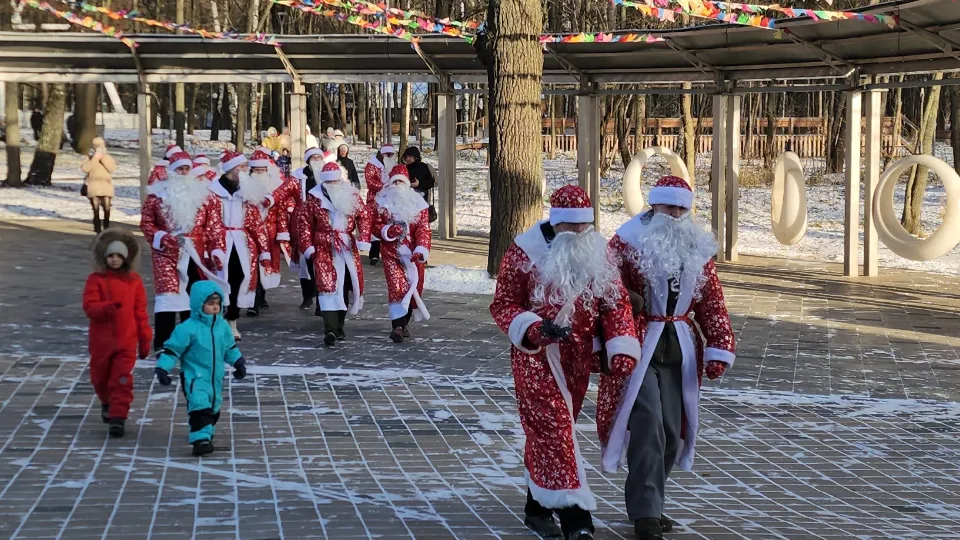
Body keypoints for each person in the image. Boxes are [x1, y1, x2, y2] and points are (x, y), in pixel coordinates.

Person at [489, 185, 641, 540]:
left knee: (551, 435)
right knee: (555, 432)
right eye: (571, 227)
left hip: (578, 361)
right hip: (536, 359)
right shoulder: (524, 252)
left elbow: (615, 302)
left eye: (584, 226)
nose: (578, 233)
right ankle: (577, 519)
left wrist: (620, 346)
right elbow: (503, 304)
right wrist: (533, 328)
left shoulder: (598, 254)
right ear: (556, 224)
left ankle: (537, 508)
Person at [601, 176, 736, 540]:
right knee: (649, 422)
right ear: (654, 205)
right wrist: (628, 303)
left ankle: (650, 503)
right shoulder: (627, 241)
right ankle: (646, 513)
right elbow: (605, 288)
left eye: (682, 207)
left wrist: (719, 345)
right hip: (640, 344)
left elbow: (712, 300)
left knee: (672, 432)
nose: (675, 214)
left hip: (679, 345)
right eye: (669, 206)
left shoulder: (697, 247)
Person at [141, 152, 225, 350]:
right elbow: (146, 223)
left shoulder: (204, 196)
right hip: (166, 252)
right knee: (167, 297)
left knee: (195, 296)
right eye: (180, 168)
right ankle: (164, 343)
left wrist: (217, 250)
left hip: (195, 252)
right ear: (171, 171)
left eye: (187, 168)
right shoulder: (156, 196)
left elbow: (214, 226)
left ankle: (192, 340)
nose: (184, 172)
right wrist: (162, 238)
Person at [154, 281, 247, 456]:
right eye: (210, 304)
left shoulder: (223, 327)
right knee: (199, 405)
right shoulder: (187, 328)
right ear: (199, 304)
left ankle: (205, 431)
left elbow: (229, 348)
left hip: (215, 378)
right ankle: (200, 441)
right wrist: (163, 368)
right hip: (194, 376)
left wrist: (238, 363)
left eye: (217, 304)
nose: (215, 307)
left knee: (213, 408)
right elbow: (172, 350)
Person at [82, 229, 152, 438]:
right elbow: (89, 307)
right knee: (100, 378)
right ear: (104, 258)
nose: (114, 260)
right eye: (111, 256)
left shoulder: (134, 281)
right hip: (102, 342)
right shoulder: (96, 280)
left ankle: (118, 417)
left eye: (118, 256)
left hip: (126, 341)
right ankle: (106, 401)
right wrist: (105, 308)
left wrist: (145, 338)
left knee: (121, 379)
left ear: (126, 258)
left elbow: (140, 311)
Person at [295, 161, 371, 347]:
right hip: (323, 246)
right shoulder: (314, 198)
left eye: (336, 181)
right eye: (330, 182)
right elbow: (303, 223)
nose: (333, 185)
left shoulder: (351, 195)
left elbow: (365, 216)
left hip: (346, 247)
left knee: (344, 286)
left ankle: (339, 326)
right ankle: (329, 329)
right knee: (327, 286)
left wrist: (364, 238)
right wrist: (308, 247)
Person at [198, 151, 271, 340]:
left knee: (240, 277)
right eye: (241, 167)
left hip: (241, 242)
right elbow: (207, 220)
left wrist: (264, 250)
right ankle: (215, 318)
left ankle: (232, 319)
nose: (245, 170)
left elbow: (255, 222)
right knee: (219, 279)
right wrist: (210, 244)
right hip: (219, 241)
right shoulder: (212, 192)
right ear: (231, 169)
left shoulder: (245, 192)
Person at [372, 165, 431, 342]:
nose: (398, 184)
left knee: (413, 287)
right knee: (396, 287)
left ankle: (404, 323)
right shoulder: (383, 203)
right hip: (391, 253)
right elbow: (375, 225)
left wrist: (421, 249)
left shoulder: (418, 204)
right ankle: (397, 326)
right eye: (395, 181)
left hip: (412, 253)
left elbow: (423, 229)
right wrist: (387, 231)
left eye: (401, 181)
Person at [248, 149, 297, 314]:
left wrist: (282, 232)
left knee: (266, 263)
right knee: (251, 264)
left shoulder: (274, 189)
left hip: (270, 232)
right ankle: (253, 300)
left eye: (262, 170)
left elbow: (281, 211)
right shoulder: (244, 188)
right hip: (250, 234)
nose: (260, 173)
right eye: (256, 170)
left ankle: (261, 295)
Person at [364, 144, 397, 265]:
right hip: (375, 199)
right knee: (375, 224)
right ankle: (374, 254)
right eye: (388, 154)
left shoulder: (393, 165)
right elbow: (370, 181)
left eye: (391, 155)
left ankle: (388, 253)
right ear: (382, 154)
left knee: (389, 224)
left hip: (390, 199)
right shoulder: (372, 165)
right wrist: (382, 186)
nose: (390, 157)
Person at [80, 137, 118, 233]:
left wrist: (103, 157)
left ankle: (106, 227)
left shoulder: (107, 157)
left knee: (107, 208)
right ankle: (97, 228)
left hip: (106, 185)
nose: (98, 148)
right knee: (95, 209)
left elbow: (112, 168)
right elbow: (85, 168)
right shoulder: (88, 157)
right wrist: (95, 158)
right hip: (93, 186)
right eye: (96, 146)